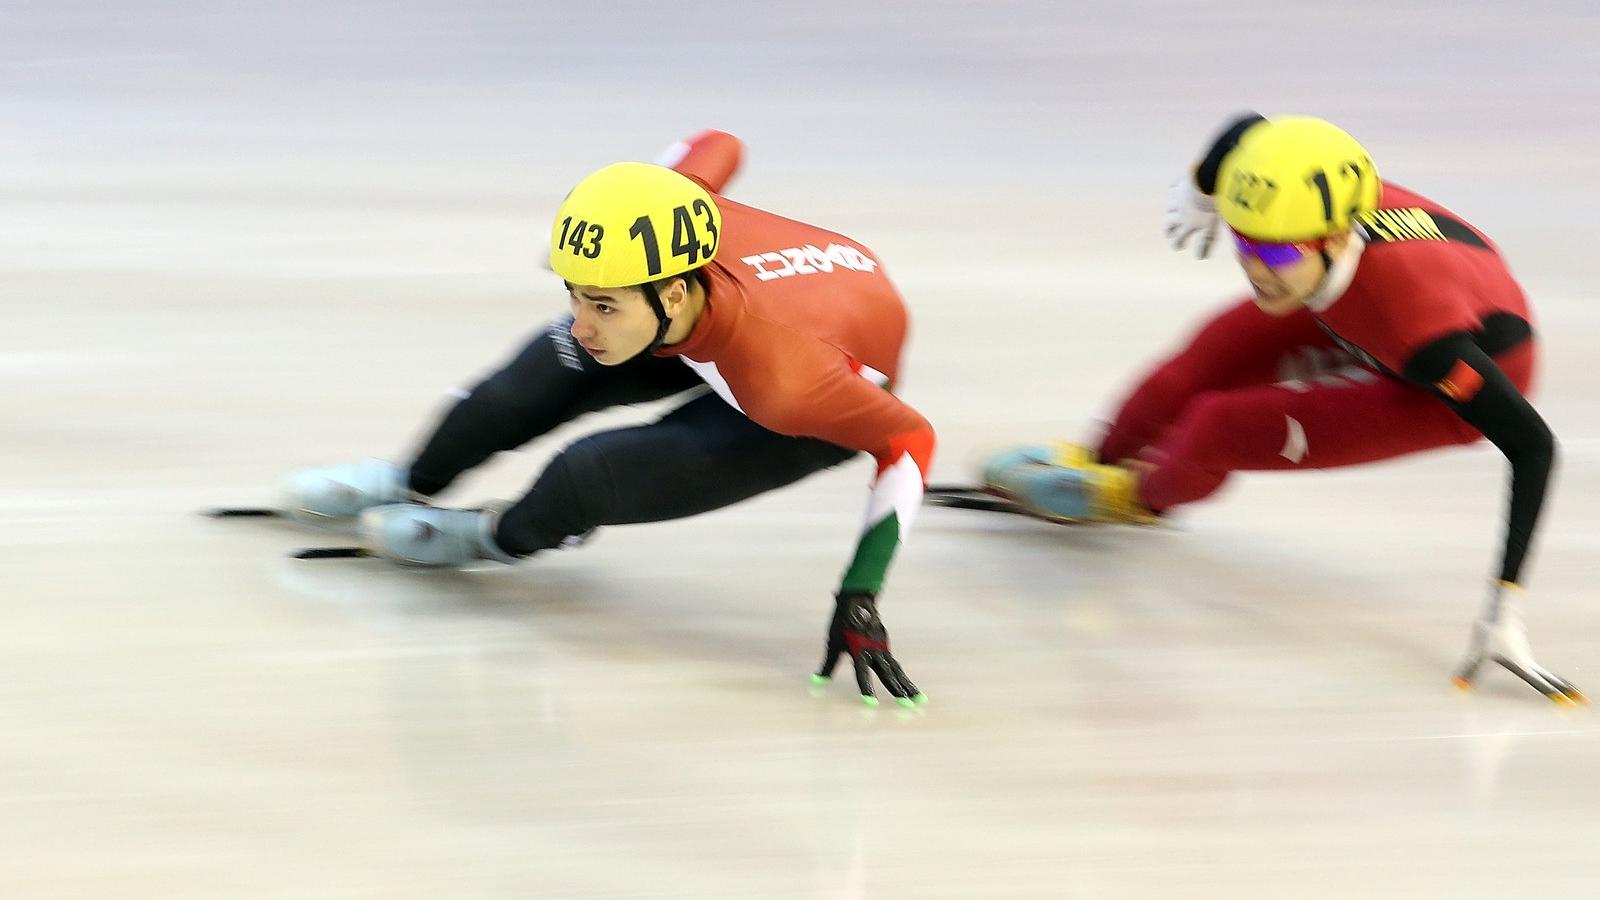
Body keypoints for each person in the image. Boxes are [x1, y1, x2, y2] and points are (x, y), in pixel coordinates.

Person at [280, 130, 933, 707]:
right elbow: (718, 141)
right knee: (525, 383)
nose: (583, 322)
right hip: (731, 315)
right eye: (575, 296)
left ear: (672, 290)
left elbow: (910, 439)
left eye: (602, 305)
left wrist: (861, 590)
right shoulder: (667, 214)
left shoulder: (786, 385)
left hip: (803, 399)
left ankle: (494, 536)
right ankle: (411, 478)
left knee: (587, 475)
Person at [982, 113, 1584, 704]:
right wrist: (1200, 191)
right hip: (1366, 301)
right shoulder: (1297, 213)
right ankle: (1098, 457)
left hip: (1441, 382)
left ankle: (1132, 498)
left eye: (1273, 257)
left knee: (1220, 427)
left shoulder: (1419, 333)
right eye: (1244, 244)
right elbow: (1248, 129)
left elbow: (1533, 447)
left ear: (1337, 240)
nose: (1253, 270)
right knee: (1205, 356)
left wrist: (1504, 608)